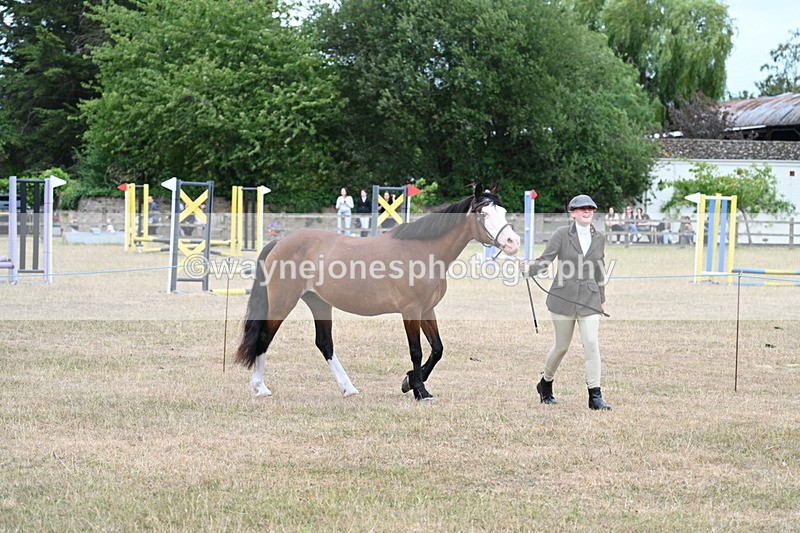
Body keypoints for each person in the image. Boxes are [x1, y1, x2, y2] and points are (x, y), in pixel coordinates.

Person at [521, 194, 612, 411]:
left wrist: (602, 298)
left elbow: (599, 269)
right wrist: (530, 269)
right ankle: (545, 383)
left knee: (591, 343)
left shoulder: (599, 237)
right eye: (581, 209)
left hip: (589, 299)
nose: (587, 211)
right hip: (563, 298)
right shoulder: (562, 234)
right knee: (562, 346)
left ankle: (595, 395)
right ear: (572, 213)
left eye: (590, 208)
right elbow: (546, 259)